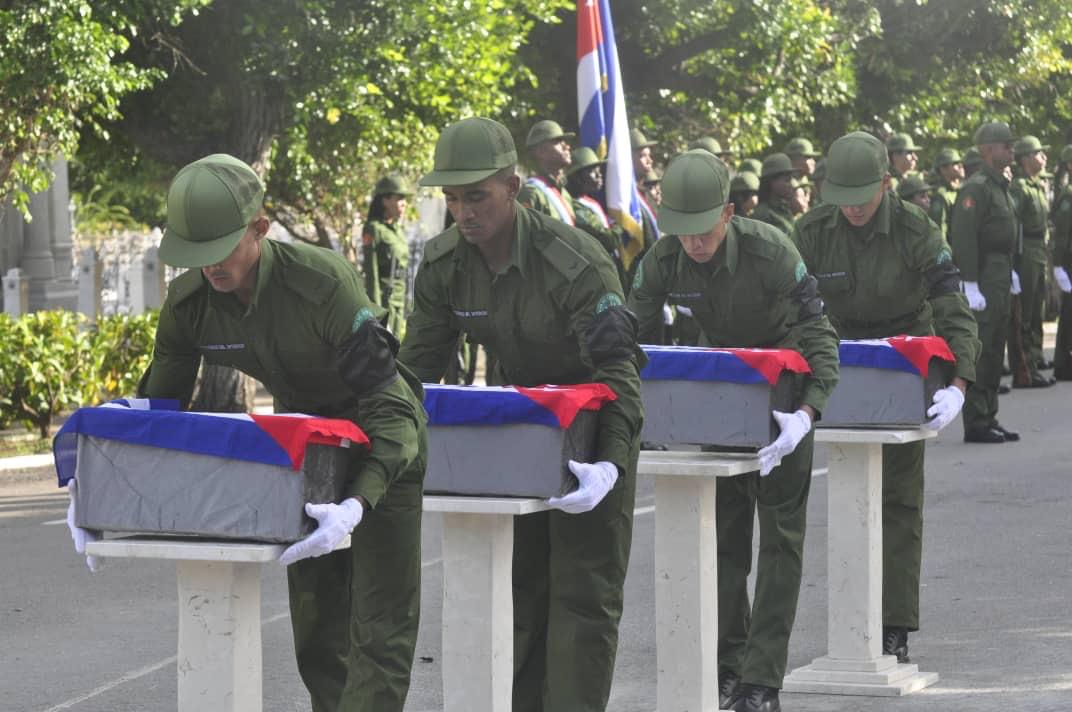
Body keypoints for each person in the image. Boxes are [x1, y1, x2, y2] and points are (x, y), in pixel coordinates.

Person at [132, 154, 428, 712]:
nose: (209, 268)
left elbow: (391, 407)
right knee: (318, 633)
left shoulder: (322, 284)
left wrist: (361, 500)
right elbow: (159, 417)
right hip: (307, 453)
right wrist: (109, 482)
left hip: (380, 439)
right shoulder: (190, 303)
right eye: (195, 255)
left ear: (260, 229)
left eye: (220, 248)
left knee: (378, 629)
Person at [397, 117, 644, 712]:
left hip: (593, 435)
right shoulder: (443, 263)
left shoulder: (575, 261)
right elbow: (414, 373)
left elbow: (620, 375)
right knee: (523, 596)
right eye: (452, 199)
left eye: (476, 195)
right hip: (517, 438)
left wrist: (610, 465)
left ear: (512, 186)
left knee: (584, 601)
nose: (463, 213)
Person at [628, 149, 840, 712]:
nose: (693, 243)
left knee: (779, 542)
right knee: (723, 540)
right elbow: (628, 341)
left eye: (703, 230)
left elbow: (818, 332)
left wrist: (808, 412)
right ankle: (728, 665)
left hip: (784, 397)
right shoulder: (663, 258)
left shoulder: (773, 250)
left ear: (726, 213)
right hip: (722, 395)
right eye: (682, 231)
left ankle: (761, 682)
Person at [792, 130, 979, 669]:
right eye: (841, 196)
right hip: (838, 360)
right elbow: (787, 305)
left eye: (863, 196)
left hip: (905, 362)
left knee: (897, 499)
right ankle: (852, 622)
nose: (852, 208)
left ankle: (893, 625)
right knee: (848, 494)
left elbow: (951, 302)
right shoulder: (810, 230)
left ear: (887, 184)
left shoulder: (917, 227)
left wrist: (958, 381)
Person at [949, 121, 1022, 443]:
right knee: (982, 346)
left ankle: (989, 415)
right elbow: (964, 238)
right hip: (983, 273)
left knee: (995, 346)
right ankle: (976, 420)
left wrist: (1011, 270)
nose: (1011, 150)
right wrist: (970, 283)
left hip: (1000, 271)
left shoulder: (998, 186)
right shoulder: (975, 188)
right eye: (1005, 145)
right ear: (987, 150)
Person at [1009, 135, 1056, 387]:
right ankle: (1024, 366)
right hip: (1025, 250)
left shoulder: (1037, 185)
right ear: (1027, 158)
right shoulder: (1019, 188)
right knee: (1025, 312)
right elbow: (1013, 224)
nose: (1044, 157)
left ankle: (1036, 357)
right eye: (1039, 153)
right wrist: (1013, 263)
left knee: (1037, 307)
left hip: (1038, 249)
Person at [362, 174, 413, 337]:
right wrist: (376, 311)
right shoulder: (373, 229)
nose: (404, 204)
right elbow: (372, 273)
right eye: (399, 198)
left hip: (400, 299)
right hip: (385, 300)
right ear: (385, 200)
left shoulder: (398, 231)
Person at [566, 145, 625, 280]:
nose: (599, 175)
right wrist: (620, 223)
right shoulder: (576, 208)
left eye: (599, 170)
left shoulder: (588, 201)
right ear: (577, 177)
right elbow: (609, 239)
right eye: (593, 171)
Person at [518, 119, 576, 225]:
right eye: (558, 141)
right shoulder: (532, 193)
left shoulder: (564, 193)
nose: (567, 146)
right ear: (541, 152)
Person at [1051, 144, 1072, 380]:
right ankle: (1063, 363)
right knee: (1068, 314)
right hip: (1069, 262)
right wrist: (1058, 267)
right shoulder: (1068, 194)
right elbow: (1063, 234)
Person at [751, 153, 797, 234]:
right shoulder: (763, 215)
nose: (791, 185)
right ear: (771, 182)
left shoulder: (784, 209)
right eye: (787, 180)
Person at [928, 148, 964, 239]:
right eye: (955, 163)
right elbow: (939, 227)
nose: (960, 166)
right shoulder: (940, 195)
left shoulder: (963, 189)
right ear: (943, 169)